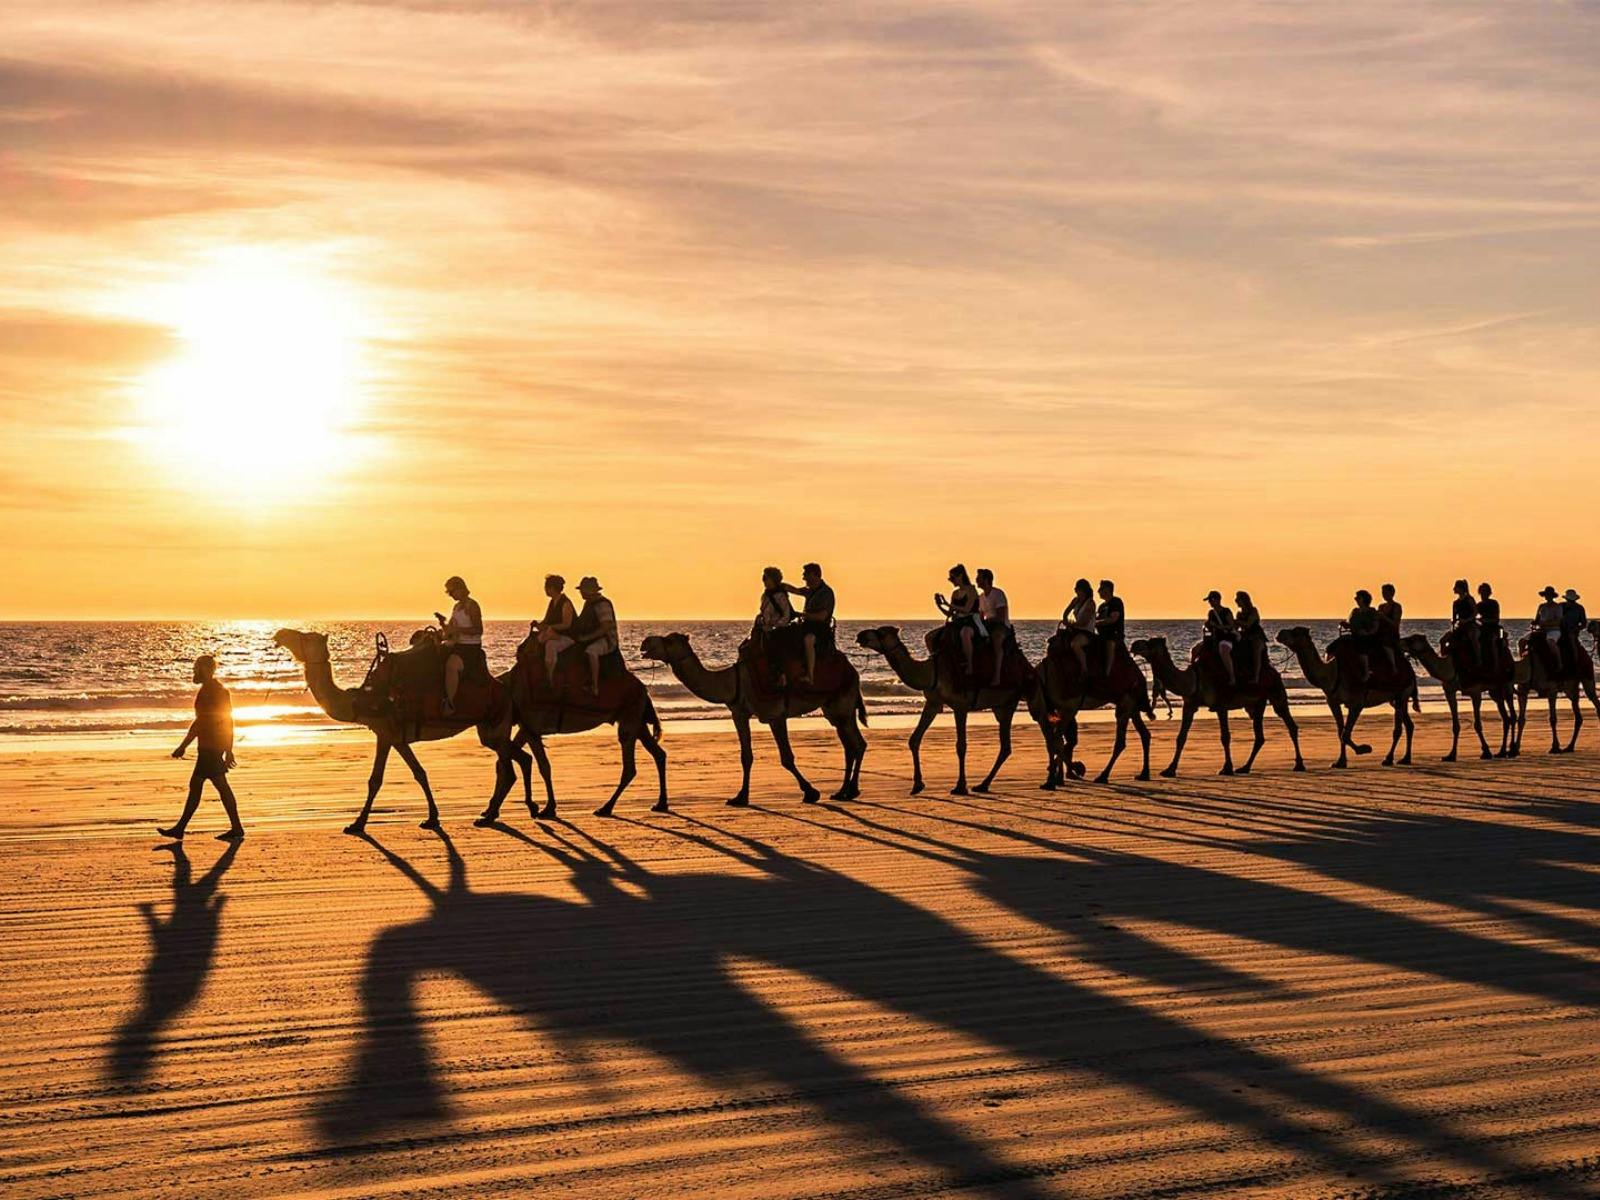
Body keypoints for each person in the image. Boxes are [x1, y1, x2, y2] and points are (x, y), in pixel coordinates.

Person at [158, 655, 243, 842]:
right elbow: (227, 720)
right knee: (212, 786)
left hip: (210, 747)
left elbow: (202, 723)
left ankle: (182, 828)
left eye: (197, 668)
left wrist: (183, 746)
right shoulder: (217, 690)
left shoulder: (211, 692)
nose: (194, 671)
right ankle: (235, 827)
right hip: (212, 746)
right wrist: (228, 749)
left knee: (204, 785)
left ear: (205, 669)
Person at [437, 575, 484, 716]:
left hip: (470, 648)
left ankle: (450, 703)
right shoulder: (456, 607)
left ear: (460, 589)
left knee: (451, 665)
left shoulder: (472, 606)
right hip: (457, 645)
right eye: (448, 592)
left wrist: (458, 630)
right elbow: (451, 630)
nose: (450, 595)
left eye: (451, 591)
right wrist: (443, 625)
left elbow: (478, 630)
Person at [783, 562, 836, 686]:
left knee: (808, 639)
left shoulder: (826, 593)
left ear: (814, 575)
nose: (803, 578)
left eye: (805, 575)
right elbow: (795, 590)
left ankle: (810, 676)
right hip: (806, 625)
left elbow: (822, 616)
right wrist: (779, 584)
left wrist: (801, 614)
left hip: (820, 628)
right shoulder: (810, 591)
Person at [932, 564, 982, 677]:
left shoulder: (971, 590)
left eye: (952, 578)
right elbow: (949, 614)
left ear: (960, 576)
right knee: (936, 637)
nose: (951, 581)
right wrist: (939, 605)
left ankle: (970, 665)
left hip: (970, 621)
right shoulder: (955, 593)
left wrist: (947, 604)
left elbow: (967, 609)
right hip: (957, 622)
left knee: (965, 634)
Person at [571, 576, 619, 695]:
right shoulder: (589, 603)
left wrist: (587, 638)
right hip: (593, 637)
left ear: (589, 590)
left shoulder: (602, 604)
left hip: (606, 640)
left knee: (591, 652)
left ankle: (594, 686)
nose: (581, 593)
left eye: (583, 590)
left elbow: (606, 627)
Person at [754, 566, 798, 688]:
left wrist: (774, 626)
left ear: (773, 579)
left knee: (775, 646)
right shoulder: (765, 596)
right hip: (766, 627)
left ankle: (781, 675)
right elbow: (764, 612)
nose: (763, 580)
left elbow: (786, 615)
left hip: (780, 629)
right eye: (763, 578)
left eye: (766, 578)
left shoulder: (780, 596)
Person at [529, 573, 577, 680]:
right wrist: (538, 625)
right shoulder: (552, 602)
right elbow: (547, 621)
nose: (545, 589)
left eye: (546, 587)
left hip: (568, 636)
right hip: (555, 634)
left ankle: (550, 676)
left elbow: (567, 624)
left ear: (552, 588)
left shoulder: (566, 603)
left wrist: (551, 628)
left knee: (551, 645)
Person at [976, 568, 1009, 688]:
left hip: (1000, 626)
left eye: (979, 578)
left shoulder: (998, 594)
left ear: (986, 580)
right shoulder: (981, 597)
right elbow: (980, 616)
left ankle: (997, 676)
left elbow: (1000, 616)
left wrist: (986, 622)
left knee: (996, 640)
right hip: (987, 626)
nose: (976, 580)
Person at [1195, 590, 1236, 685]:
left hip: (1226, 638)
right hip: (1214, 638)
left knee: (1223, 651)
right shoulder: (1211, 613)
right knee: (1196, 649)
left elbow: (1231, 626)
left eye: (1211, 600)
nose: (1209, 602)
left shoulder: (1226, 611)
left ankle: (1232, 676)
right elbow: (1210, 625)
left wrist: (1218, 626)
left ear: (1217, 600)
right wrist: (1208, 625)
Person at [1059, 578, 1098, 675]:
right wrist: (1065, 619)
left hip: (1087, 632)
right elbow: (1066, 611)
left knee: (1075, 645)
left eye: (1077, 589)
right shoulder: (1075, 600)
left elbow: (1084, 622)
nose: (1075, 590)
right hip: (1075, 629)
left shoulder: (1090, 603)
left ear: (1083, 590)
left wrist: (1071, 624)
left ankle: (1084, 668)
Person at [1441, 578, 1480, 674]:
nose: (1454, 589)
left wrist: (1467, 620)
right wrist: (1453, 625)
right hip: (1460, 627)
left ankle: (1479, 659)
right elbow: (1454, 618)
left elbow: (1475, 612)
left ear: (1461, 588)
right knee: (1443, 640)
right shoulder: (1456, 603)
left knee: (1473, 639)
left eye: (1456, 587)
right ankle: (1445, 659)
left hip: (1471, 625)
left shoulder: (1469, 599)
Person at [1345, 589, 1380, 682]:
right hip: (1354, 636)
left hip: (1367, 637)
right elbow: (1350, 624)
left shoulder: (1372, 612)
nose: (1356, 600)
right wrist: (1345, 625)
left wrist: (1367, 632)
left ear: (1364, 599)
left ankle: (1366, 672)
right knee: (1337, 645)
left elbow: (1375, 627)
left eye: (1358, 598)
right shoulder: (1355, 611)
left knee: (1361, 649)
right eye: (1356, 598)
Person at [1094, 579, 1125, 676]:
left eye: (1101, 589)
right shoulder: (1101, 606)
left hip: (1114, 634)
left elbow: (1113, 618)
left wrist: (1097, 623)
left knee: (1109, 643)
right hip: (1102, 634)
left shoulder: (1116, 602)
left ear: (1107, 590)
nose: (1098, 591)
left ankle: (1107, 673)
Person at [1234, 590, 1267, 683]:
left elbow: (1248, 624)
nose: (1236, 601)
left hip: (1256, 635)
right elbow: (1236, 628)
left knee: (1256, 650)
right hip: (1245, 636)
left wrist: (1236, 621)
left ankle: (1256, 676)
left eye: (1238, 599)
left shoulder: (1253, 611)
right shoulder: (1239, 614)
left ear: (1244, 600)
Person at [1534, 586, 1564, 673]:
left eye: (1549, 595)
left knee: (1551, 642)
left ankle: (1559, 663)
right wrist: (1534, 623)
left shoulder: (1557, 607)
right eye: (1546, 595)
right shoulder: (1541, 606)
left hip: (1553, 630)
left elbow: (1558, 621)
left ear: (1552, 596)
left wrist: (1546, 623)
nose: (1547, 596)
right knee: (1522, 641)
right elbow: (1537, 619)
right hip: (1541, 630)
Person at [1376, 583, 1403, 675]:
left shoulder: (1396, 606)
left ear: (1392, 593)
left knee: (1385, 644)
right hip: (1380, 633)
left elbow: (1395, 623)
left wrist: (1384, 617)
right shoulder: (1381, 606)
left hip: (1391, 634)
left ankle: (1393, 666)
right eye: (1383, 593)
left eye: (1386, 593)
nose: (1384, 595)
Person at [1476, 581, 1503, 671]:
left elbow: (1496, 619)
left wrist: (1484, 620)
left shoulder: (1493, 603)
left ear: (1489, 593)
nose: (1483, 594)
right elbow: (1473, 614)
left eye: (1485, 592)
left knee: (1493, 643)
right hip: (1482, 628)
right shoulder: (1479, 605)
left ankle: (1496, 665)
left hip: (1493, 628)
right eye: (1482, 592)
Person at [1560, 588, 1587, 674]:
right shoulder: (1561, 606)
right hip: (1559, 630)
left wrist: (1576, 628)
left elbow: (1583, 624)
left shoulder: (1579, 608)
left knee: (1572, 643)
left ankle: (1576, 664)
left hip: (1572, 631)